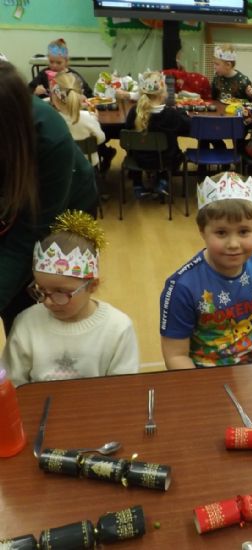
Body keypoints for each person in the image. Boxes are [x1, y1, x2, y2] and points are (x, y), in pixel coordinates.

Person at [0, 61, 98, 335]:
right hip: (15, 203)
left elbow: (27, 237)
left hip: (61, 212)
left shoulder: (49, 137)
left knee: (34, 306)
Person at [160, 172, 252, 368]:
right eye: (221, 232)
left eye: (244, 231)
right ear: (202, 231)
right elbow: (175, 356)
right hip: (205, 378)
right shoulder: (181, 288)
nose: (233, 244)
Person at [2, 210, 140, 387]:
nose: (48, 302)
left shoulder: (118, 328)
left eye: (60, 292)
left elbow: (124, 388)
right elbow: (12, 383)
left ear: (92, 286)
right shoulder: (26, 323)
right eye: (41, 290)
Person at [125, 70, 191, 198]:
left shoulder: (134, 112)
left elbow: (128, 131)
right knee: (174, 151)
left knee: (133, 149)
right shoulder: (171, 114)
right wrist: (182, 113)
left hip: (139, 160)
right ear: (163, 94)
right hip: (165, 161)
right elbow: (187, 126)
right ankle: (163, 181)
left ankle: (137, 185)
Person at [50, 72, 106, 167]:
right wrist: (95, 120)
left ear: (54, 99)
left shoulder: (51, 120)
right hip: (88, 166)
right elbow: (101, 139)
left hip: (62, 168)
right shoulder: (89, 117)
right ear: (80, 94)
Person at [28, 38, 93, 98]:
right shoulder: (43, 74)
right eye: (51, 62)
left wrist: (80, 96)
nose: (54, 66)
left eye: (59, 63)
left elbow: (89, 94)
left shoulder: (73, 76)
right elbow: (27, 90)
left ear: (66, 62)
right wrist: (35, 91)